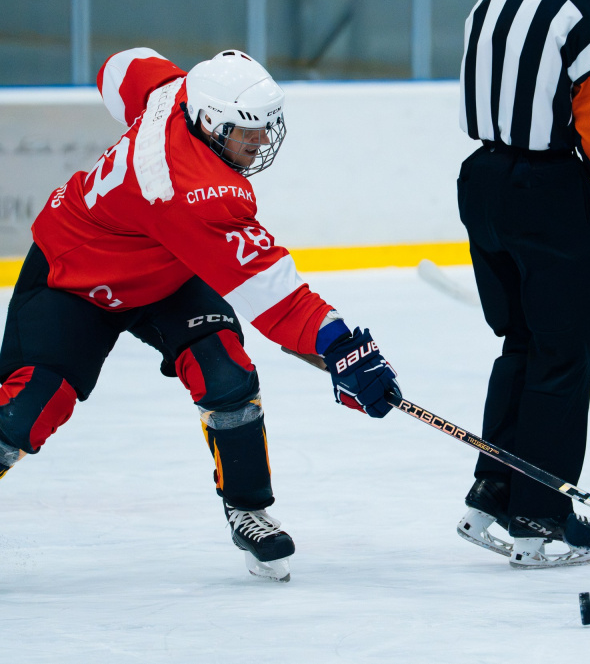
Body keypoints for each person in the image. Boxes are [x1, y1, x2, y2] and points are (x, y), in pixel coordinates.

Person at [0, 48, 401, 582]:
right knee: (24, 415)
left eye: (264, 129)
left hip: (167, 269)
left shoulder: (175, 90)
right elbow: (272, 292)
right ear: (210, 123)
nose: (259, 142)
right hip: (73, 278)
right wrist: (340, 345)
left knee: (226, 374)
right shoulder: (195, 191)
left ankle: (247, 507)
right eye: (246, 132)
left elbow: (122, 65)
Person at [454, 0, 590, 569]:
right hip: (549, 191)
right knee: (563, 356)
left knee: (522, 343)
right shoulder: (587, 16)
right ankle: (539, 515)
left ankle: (493, 492)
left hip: (482, 182)